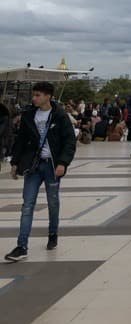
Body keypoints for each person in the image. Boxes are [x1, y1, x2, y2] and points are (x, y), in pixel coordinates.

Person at [5, 82, 76, 262]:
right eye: (34, 95)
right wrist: (15, 162)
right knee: (27, 205)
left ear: (48, 96)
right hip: (33, 165)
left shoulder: (60, 115)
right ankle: (22, 246)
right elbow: (21, 140)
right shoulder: (29, 115)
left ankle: (53, 234)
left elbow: (69, 141)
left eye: (38, 95)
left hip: (52, 166)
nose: (34, 98)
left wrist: (63, 163)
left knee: (53, 202)